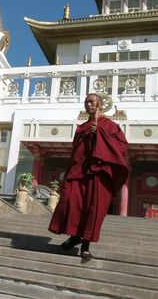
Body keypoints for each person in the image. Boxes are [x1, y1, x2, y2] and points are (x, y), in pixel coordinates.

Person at [49, 93, 128, 261]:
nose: (88, 104)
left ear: (99, 104)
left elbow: (122, 148)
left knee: (93, 208)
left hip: (98, 173)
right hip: (80, 172)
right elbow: (76, 149)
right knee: (72, 202)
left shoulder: (110, 126)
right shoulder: (82, 127)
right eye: (86, 102)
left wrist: (100, 134)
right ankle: (74, 236)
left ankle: (85, 246)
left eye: (91, 102)